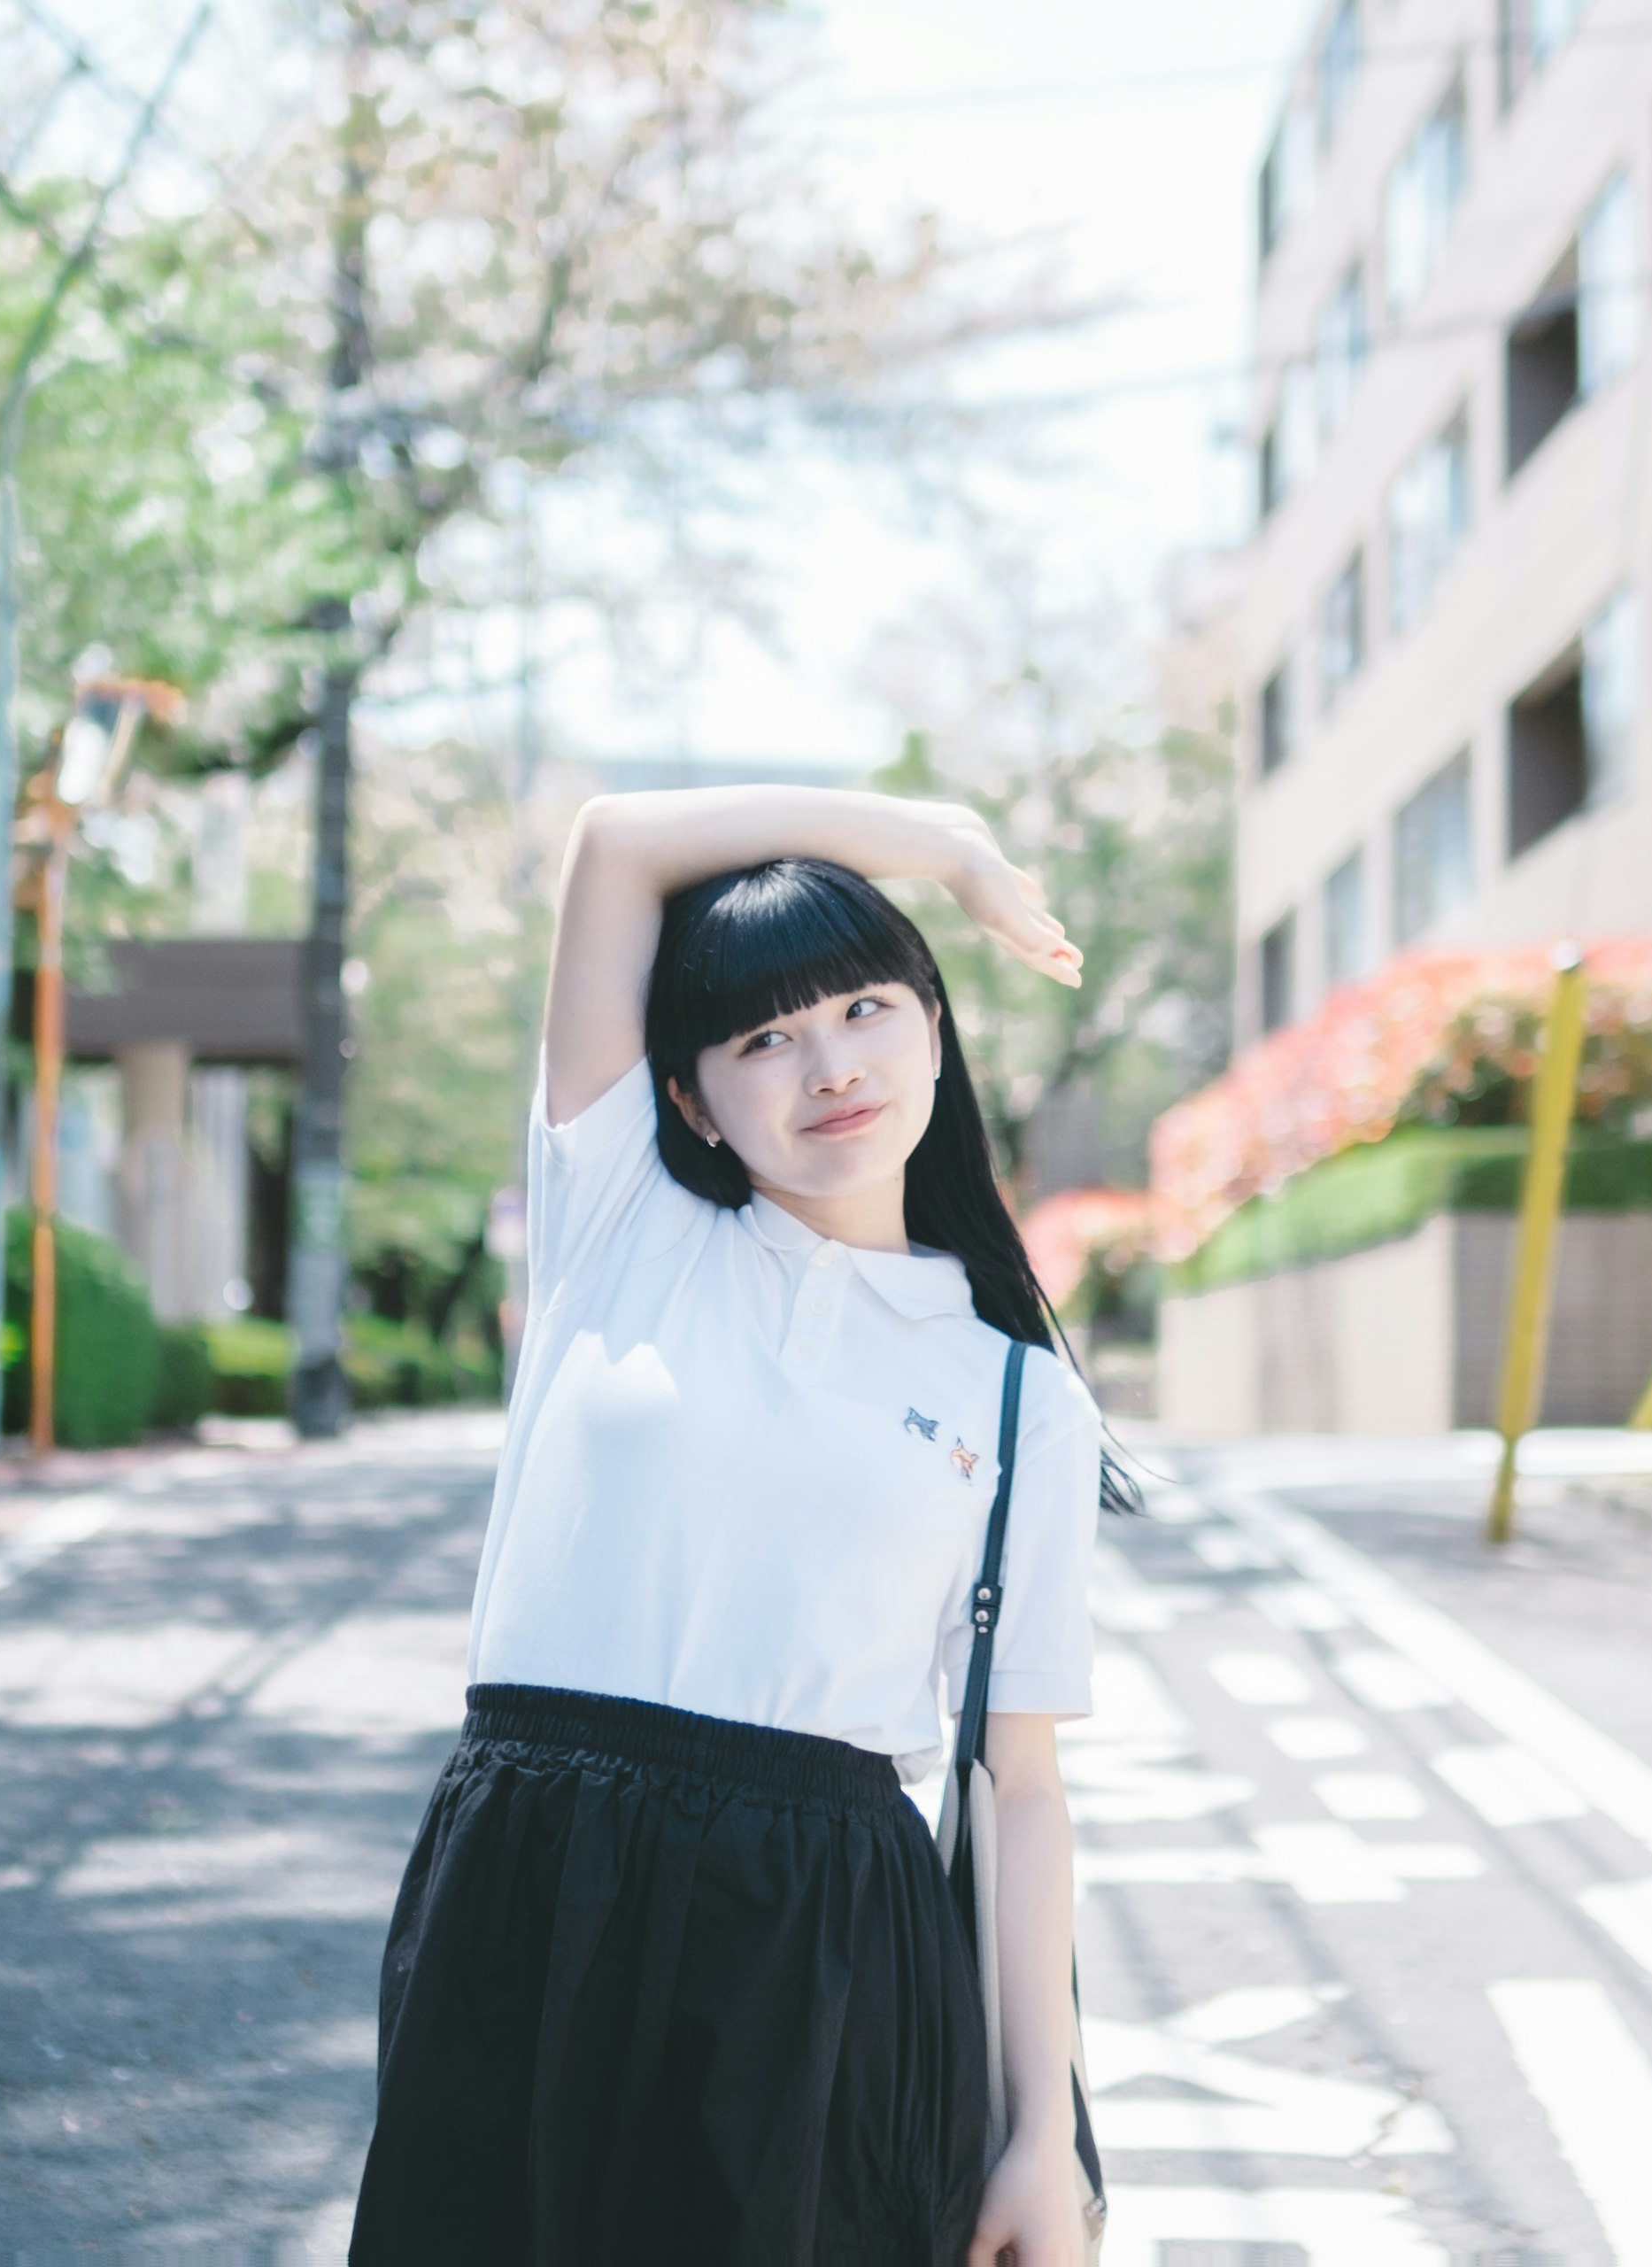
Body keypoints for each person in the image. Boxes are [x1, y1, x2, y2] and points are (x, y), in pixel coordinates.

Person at [349, 786, 1110, 2266]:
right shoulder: (620, 1218)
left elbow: (1021, 1791)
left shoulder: (1015, 1396)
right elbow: (617, 845)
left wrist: (1038, 2134)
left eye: (868, 1009)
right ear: (690, 1098)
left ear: (936, 1034)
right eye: (764, 1038)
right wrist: (943, 842)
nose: (828, 1067)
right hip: (533, 1873)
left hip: (820, 1935)